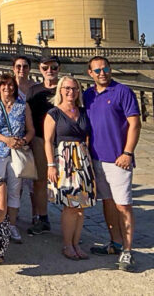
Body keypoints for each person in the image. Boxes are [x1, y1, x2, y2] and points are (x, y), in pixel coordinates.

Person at [84, 56, 141, 271]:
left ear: (111, 69)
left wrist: (128, 152)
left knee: (123, 205)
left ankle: (127, 251)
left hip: (119, 160)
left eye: (105, 68)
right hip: (97, 158)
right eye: (97, 70)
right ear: (90, 73)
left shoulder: (122, 91)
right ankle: (115, 242)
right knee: (107, 202)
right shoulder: (88, 95)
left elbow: (135, 124)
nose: (102, 73)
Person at [44, 76, 96, 261]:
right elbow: (48, 142)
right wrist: (51, 165)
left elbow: (88, 137)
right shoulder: (53, 113)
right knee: (70, 206)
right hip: (64, 162)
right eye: (67, 88)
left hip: (82, 160)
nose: (70, 92)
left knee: (81, 206)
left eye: (74, 88)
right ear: (60, 90)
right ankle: (67, 245)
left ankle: (76, 243)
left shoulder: (82, 111)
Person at [0, 73, 35, 244]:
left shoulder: (23, 106)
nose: (7, 88)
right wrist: (6, 139)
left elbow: (31, 130)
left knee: (14, 190)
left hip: (16, 154)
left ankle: (11, 224)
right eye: (4, 85)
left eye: (11, 85)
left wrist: (24, 140)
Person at [25, 55, 60, 235]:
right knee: (39, 181)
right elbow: (27, 116)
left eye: (53, 68)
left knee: (66, 181)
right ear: (40, 69)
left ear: (58, 69)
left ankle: (70, 219)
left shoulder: (65, 88)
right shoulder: (34, 91)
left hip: (63, 142)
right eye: (45, 68)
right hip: (39, 140)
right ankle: (43, 218)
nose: (49, 71)